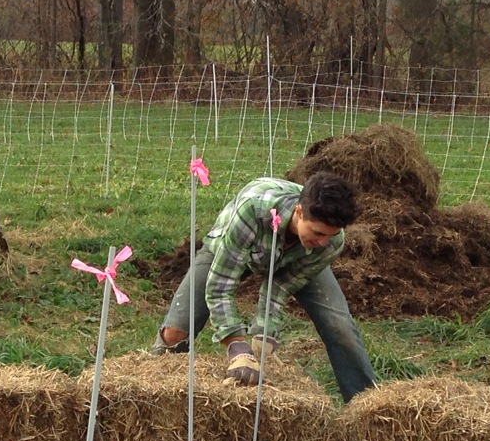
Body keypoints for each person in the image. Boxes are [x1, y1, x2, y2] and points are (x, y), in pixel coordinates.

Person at [152, 169, 379, 402]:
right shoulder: (252, 211)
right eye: (317, 232)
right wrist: (236, 344)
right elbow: (221, 284)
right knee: (176, 331)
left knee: (340, 327)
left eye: (329, 235)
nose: (321, 242)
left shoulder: (329, 244)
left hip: (294, 258)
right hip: (234, 243)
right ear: (299, 212)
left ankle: (366, 407)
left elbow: (281, 285)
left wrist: (264, 331)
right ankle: (154, 394)